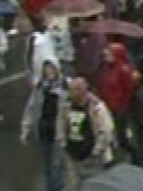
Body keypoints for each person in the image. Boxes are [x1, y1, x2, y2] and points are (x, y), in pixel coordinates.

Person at [57, 77, 115, 190]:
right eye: (70, 90)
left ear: (82, 90)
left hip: (92, 157)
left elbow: (106, 129)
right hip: (72, 154)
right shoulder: (66, 106)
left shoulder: (96, 107)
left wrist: (97, 150)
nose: (71, 93)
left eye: (74, 90)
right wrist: (62, 142)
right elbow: (60, 123)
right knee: (72, 185)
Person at [21, 60, 67, 191]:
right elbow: (30, 108)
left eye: (52, 69)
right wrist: (25, 129)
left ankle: (56, 188)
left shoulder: (65, 86)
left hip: (58, 132)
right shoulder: (40, 87)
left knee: (56, 164)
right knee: (48, 164)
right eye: (47, 70)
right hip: (43, 130)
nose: (49, 73)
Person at [95, 43, 138, 162]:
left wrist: (121, 105)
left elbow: (129, 90)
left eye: (109, 53)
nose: (105, 55)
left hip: (118, 108)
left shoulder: (124, 70)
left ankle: (131, 154)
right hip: (108, 106)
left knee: (120, 134)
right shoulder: (106, 67)